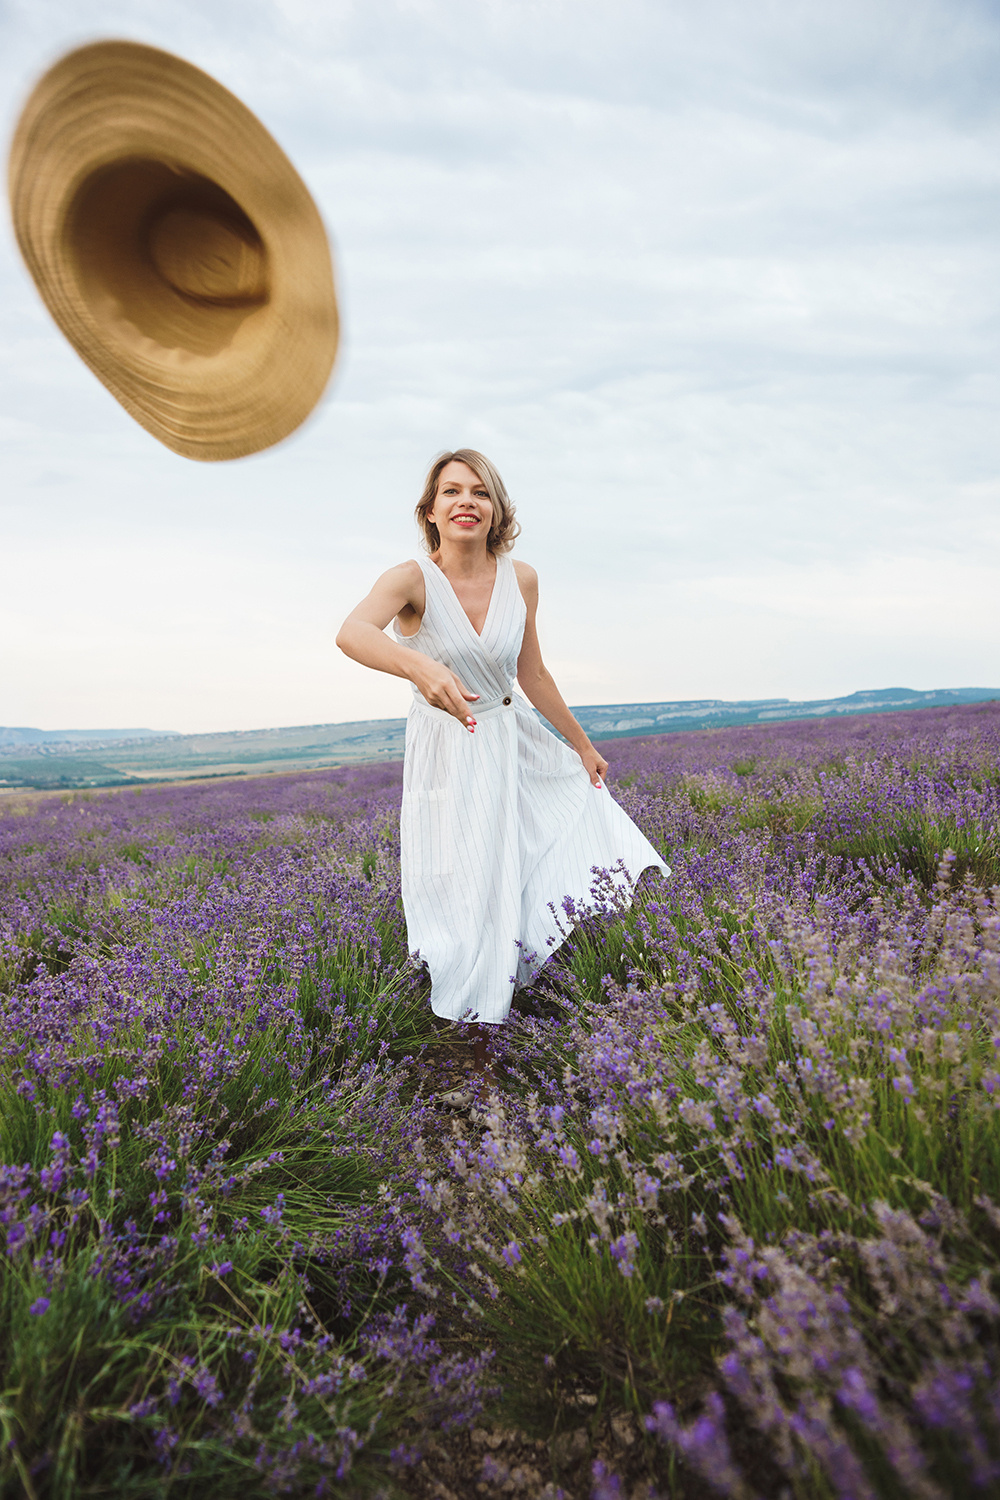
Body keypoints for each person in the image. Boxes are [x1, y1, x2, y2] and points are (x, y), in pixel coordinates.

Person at [336, 449, 668, 1066]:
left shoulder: (522, 578)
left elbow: (532, 671)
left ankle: (511, 994)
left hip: (513, 739)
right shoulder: (410, 579)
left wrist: (583, 745)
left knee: (554, 842)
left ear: (496, 510)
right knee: (460, 879)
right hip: (447, 748)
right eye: (452, 492)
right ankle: (465, 1015)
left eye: (480, 492)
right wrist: (420, 665)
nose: (467, 501)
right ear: (430, 511)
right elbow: (352, 633)